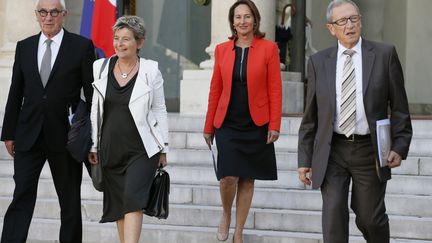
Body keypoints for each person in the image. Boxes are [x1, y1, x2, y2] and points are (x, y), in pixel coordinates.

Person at [297, 1, 412, 243]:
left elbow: (400, 108)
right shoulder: (318, 62)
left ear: (360, 20)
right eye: (342, 21)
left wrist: (400, 146)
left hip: (369, 151)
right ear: (331, 28)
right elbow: (311, 117)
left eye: (354, 19)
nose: (349, 25)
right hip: (332, 151)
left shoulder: (384, 54)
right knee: (333, 219)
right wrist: (305, 159)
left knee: (370, 218)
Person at [0, 0, 95, 242]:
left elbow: (92, 94)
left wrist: (93, 137)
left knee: (70, 200)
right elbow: (15, 92)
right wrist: (8, 132)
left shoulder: (81, 46)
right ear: (36, 15)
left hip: (65, 137)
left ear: (64, 15)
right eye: (43, 12)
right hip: (28, 135)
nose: (48, 17)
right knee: (21, 196)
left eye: (54, 12)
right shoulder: (25, 47)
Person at [203, 1, 282, 242]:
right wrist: (208, 126)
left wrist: (274, 124)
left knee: (248, 178)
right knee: (228, 177)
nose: (242, 21)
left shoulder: (269, 49)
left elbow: (275, 90)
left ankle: (239, 231)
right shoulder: (222, 50)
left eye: (247, 16)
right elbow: (215, 89)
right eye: (238, 17)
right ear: (233, 21)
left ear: (255, 20)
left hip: (256, 123)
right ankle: (226, 214)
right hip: (227, 122)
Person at [88, 15, 169, 243]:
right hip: (110, 147)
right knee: (119, 204)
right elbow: (95, 108)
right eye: (116, 39)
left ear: (139, 42)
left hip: (142, 149)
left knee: (133, 199)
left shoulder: (151, 71)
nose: (119, 44)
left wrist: (164, 147)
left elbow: (160, 109)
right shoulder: (100, 67)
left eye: (126, 39)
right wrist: (93, 144)